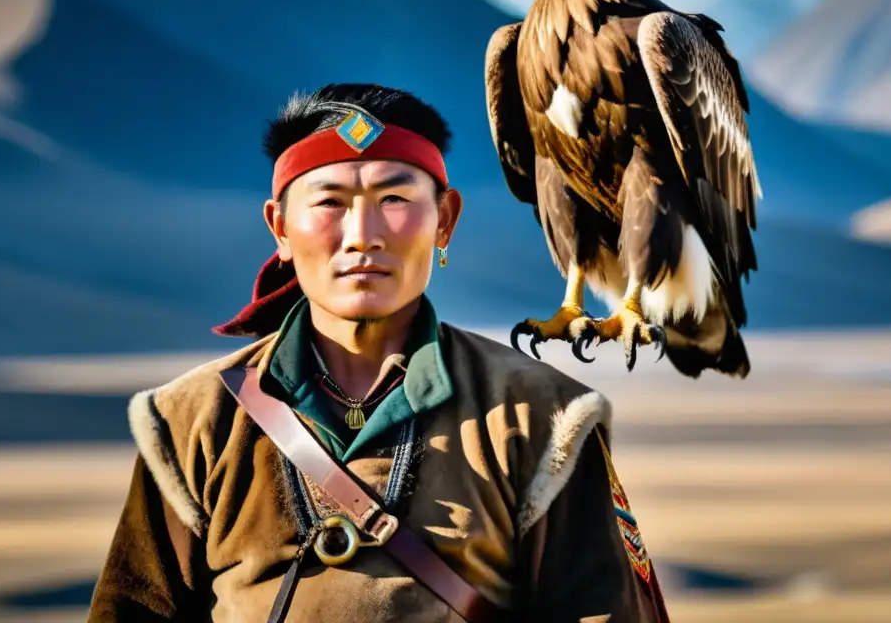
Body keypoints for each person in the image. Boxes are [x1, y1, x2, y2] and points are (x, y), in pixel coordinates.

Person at [87, 83, 671, 622]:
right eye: (330, 203)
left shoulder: (539, 415)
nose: (363, 233)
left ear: (444, 220)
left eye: (394, 197)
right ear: (280, 229)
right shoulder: (197, 419)